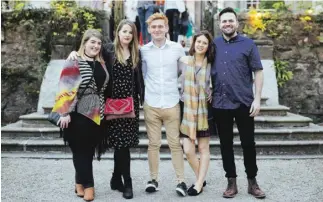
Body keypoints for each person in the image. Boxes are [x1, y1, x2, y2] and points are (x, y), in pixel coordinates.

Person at [67, 20, 144, 200]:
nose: (127, 35)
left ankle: (117, 178)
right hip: (110, 105)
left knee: (123, 145)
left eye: (130, 32)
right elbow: (88, 53)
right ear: (118, 33)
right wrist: (73, 53)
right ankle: (127, 182)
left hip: (130, 106)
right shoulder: (107, 52)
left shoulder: (137, 54)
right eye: (124, 31)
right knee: (120, 144)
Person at [211, 7, 266, 199]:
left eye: (230, 21)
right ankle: (231, 182)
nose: (227, 24)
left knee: (248, 144)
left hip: (244, 102)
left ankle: (252, 182)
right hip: (220, 102)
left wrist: (257, 99)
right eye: (224, 21)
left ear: (236, 23)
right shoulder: (213, 44)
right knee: (225, 144)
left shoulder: (248, 44)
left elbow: (258, 71)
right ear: (220, 24)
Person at [53, 29, 109, 201]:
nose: (96, 46)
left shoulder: (102, 63)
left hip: (97, 114)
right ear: (84, 43)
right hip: (77, 114)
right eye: (92, 42)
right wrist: (64, 112)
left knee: (86, 151)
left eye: (99, 43)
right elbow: (65, 86)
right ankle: (89, 186)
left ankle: (79, 182)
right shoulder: (74, 61)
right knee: (81, 151)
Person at [140, 13, 188, 196]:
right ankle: (153, 179)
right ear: (149, 30)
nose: (157, 29)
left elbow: (183, 73)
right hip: (151, 103)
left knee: (175, 144)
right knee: (153, 144)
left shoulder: (177, 49)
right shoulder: (143, 50)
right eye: (154, 27)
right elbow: (142, 75)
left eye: (161, 26)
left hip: (171, 102)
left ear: (167, 28)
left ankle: (181, 181)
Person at [179, 30, 215, 196]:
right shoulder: (184, 61)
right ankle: (201, 175)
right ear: (193, 43)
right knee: (187, 150)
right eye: (198, 42)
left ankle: (199, 182)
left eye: (204, 43)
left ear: (208, 47)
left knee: (203, 148)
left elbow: (214, 87)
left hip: (205, 112)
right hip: (187, 112)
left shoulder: (211, 65)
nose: (200, 45)